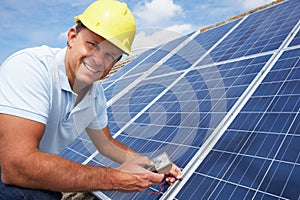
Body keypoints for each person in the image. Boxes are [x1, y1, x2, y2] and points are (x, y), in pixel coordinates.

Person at [0, 0, 181, 199]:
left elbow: (106, 144)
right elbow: (16, 167)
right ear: (72, 37)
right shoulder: (31, 68)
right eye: (92, 44)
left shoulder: (95, 97)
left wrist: (154, 165)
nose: (97, 59)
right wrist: (116, 178)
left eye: (110, 55)